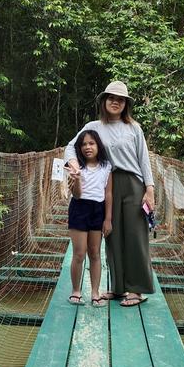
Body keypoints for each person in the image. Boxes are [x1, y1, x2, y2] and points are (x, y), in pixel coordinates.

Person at [64, 81, 154, 307]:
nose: (116, 102)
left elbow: (144, 158)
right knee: (111, 236)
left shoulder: (134, 127)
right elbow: (70, 147)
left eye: (120, 99)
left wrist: (149, 189)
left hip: (133, 183)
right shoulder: (94, 126)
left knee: (134, 235)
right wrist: (75, 165)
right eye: (111, 98)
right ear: (104, 101)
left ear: (126, 105)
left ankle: (136, 290)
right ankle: (117, 287)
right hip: (108, 184)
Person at [67, 129, 113, 306]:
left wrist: (107, 219)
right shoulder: (76, 166)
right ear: (79, 148)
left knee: (94, 253)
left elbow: (108, 193)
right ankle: (76, 291)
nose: (87, 147)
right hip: (79, 208)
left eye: (91, 143)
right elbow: (77, 195)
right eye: (84, 144)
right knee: (79, 254)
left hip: (98, 209)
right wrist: (77, 178)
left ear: (98, 146)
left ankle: (95, 292)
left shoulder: (107, 166)